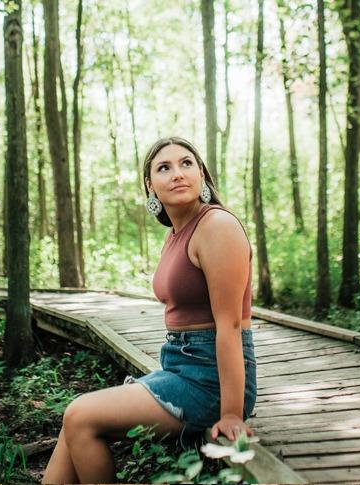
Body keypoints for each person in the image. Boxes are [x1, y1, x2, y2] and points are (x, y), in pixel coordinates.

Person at [42, 136, 256, 484]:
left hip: (211, 381)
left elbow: (229, 327)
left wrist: (231, 413)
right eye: (164, 168)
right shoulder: (176, 233)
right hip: (179, 367)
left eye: (186, 164)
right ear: (150, 186)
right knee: (73, 425)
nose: (177, 174)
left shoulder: (217, 227)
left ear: (201, 174)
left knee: (80, 415)